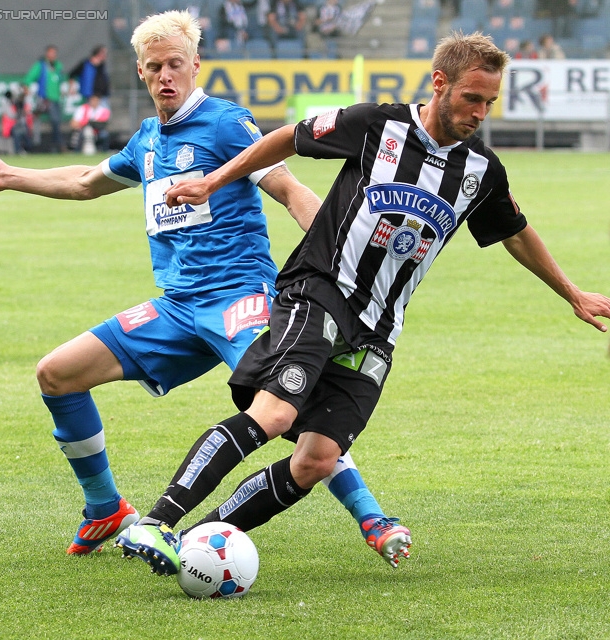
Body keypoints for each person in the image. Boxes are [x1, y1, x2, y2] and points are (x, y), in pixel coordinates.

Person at [115, 31, 610, 578]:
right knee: (275, 414)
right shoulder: (377, 124)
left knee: (316, 459)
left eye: (489, 102)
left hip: (378, 329)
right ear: (439, 83)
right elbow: (287, 138)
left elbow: (515, 232)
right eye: (472, 97)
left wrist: (573, 293)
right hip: (320, 289)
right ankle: (155, 521)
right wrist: (214, 181)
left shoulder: (481, 171)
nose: (480, 112)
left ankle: (197, 541)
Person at [0, 10, 401, 566]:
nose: (166, 75)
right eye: (155, 68)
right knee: (55, 374)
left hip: (240, 299)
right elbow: (84, 182)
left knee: (287, 405)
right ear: (142, 73)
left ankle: (371, 515)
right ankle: (105, 507)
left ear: (196, 64)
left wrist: (345, 271)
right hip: (176, 309)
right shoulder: (148, 139)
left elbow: (289, 188)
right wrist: (11, 177)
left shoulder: (226, 123)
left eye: (176, 64)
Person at [23, 45, 65, 153]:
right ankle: (32, 145)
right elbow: (29, 78)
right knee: (35, 121)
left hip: (56, 99)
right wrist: (26, 87)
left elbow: (60, 81)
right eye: (51, 53)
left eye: (54, 53)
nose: (52, 55)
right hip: (44, 99)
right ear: (47, 54)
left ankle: (56, 145)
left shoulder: (58, 66)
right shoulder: (41, 65)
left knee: (57, 122)